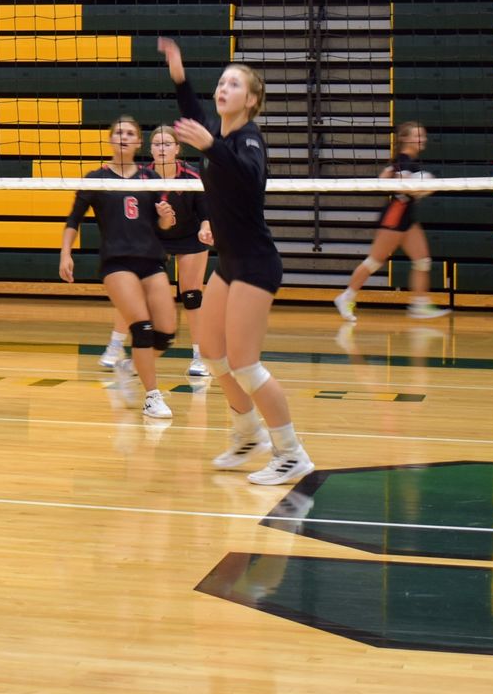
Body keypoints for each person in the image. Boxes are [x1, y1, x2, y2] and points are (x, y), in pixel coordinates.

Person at [160, 36, 314, 485]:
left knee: (245, 363)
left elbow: (248, 176)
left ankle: (291, 453)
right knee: (212, 353)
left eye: (234, 84)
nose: (223, 88)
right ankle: (247, 433)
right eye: (221, 82)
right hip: (229, 263)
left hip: (255, 263)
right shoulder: (221, 135)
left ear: (251, 100)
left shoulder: (248, 140)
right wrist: (180, 76)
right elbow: (195, 117)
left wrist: (210, 145)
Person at [58, 117, 178, 421]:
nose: (124, 137)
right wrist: (65, 253)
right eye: (119, 132)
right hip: (117, 262)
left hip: (151, 259)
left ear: (138, 142)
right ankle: (151, 397)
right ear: (111, 140)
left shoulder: (150, 178)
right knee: (142, 328)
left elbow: (164, 225)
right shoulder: (96, 178)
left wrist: (166, 216)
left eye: (130, 133)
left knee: (166, 334)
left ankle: (130, 366)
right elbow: (73, 220)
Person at [333, 122, 449, 321]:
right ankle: (346, 297)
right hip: (395, 216)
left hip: (407, 216)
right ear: (405, 139)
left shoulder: (406, 161)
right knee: (374, 261)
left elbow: (388, 177)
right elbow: (402, 186)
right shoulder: (404, 161)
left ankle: (420, 304)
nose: (423, 139)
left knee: (422, 261)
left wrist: (421, 185)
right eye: (417, 135)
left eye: (423, 135)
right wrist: (424, 187)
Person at [148, 125, 213, 378]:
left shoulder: (191, 176)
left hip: (189, 237)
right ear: (150, 149)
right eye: (157, 144)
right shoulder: (142, 177)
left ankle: (200, 356)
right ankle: (135, 350)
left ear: (177, 148)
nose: (162, 149)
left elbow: (205, 213)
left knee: (191, 296)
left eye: (167, 144)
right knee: (149, 297)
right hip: (157, 238)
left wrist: (206, 228)